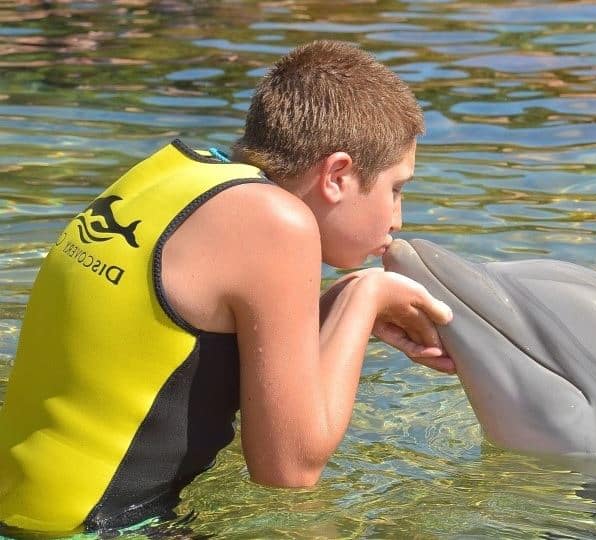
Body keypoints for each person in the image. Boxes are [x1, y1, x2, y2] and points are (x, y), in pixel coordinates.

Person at [0, 40, 455, 534]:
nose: (397, 218)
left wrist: (344, 309)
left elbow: (183, 352)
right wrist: (366, 296)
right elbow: (289, 471)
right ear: (337, 175)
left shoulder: (176, 173)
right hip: (95, 528)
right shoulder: (277, 222)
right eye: (395, 189)